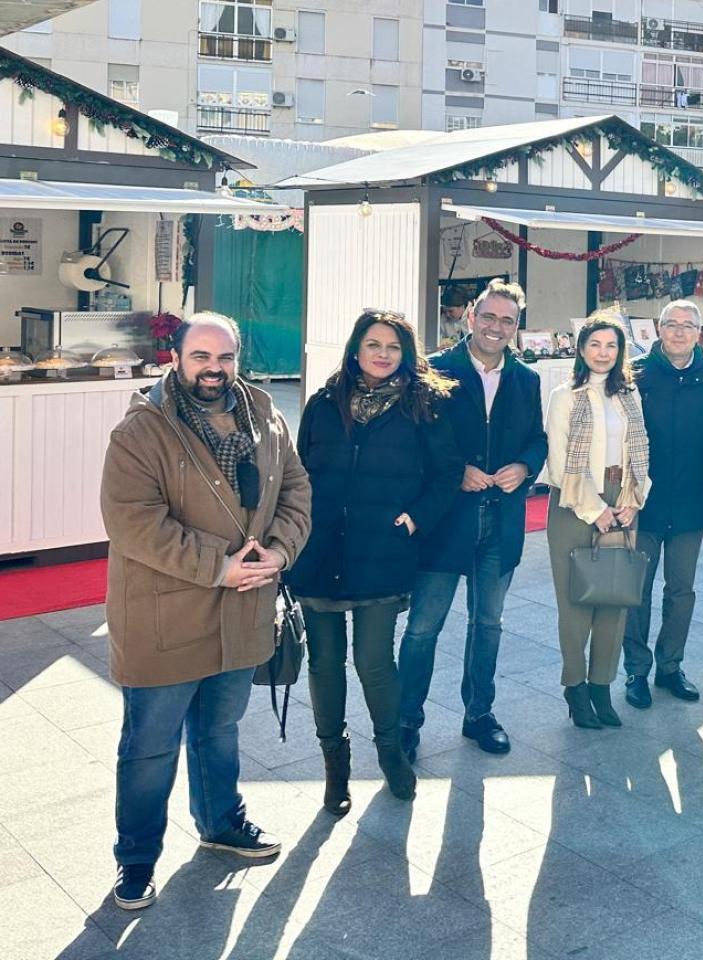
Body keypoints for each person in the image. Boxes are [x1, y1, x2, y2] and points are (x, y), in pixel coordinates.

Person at [99, 312, 312, 910]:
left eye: (224, 358)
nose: (213, 369)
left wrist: (280, 550)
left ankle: (221, 823)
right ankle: (136, 860)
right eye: (201, 357)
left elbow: (295, 488)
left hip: (243, 614)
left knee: (219, 731)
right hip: (167, 617)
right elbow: (133, 524)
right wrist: (220, 567)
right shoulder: (141, 431)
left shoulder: (265, 414)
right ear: (177, 357)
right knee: (149, 748)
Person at [290, 311, 461, 813]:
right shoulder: (324, 403)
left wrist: (415, 519)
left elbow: (448, 471)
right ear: (355, 349)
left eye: (393, 346)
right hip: (320, 551)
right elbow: (300, 472)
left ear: (406, 353)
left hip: (382, 550)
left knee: (373, 661)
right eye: (373, 344)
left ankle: (390, 752)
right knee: (324, 664)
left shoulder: (425, 405)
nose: (382, 353)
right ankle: (334, 766)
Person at [398, 279, 546, 762]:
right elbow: (412, 440)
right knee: (423, 628)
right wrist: (452, 473)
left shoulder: (527, 379)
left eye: (507, 320)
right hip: (446, 522)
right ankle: (405, 721)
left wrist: (524, 467)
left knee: (488, 623)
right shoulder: (435, 371)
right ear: (470, 318)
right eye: (489, 316)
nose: (496, 327)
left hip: (501, 522)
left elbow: (537, 440)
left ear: (516, 327)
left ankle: (479, 714)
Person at [544, 319, 651, 730]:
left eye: (611, 345)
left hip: (622, 499)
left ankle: (602, 686)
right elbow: (558, 464)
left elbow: (642, 449)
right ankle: (575, 688)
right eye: (595, 344)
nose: (603, 352)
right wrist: (596, 511)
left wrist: (630, 501)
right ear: (581, 348)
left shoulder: (629, 394)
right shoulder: (565, 396)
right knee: (576, 604)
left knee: (614, 599)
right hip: (574, 502)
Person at [622, 300, 703, 709]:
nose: (680, 332)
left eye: (689, 326)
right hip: (642, 504)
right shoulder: (635, 375)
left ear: (700, 334)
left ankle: (670, 666)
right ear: (658, 330)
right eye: (672, 324)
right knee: (637, 591)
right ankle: (636, 670)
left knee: (681, 590)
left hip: (690, 505)